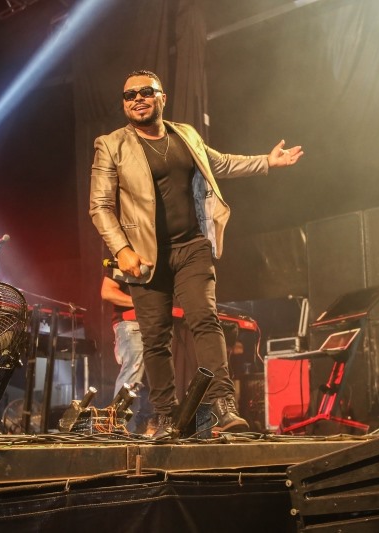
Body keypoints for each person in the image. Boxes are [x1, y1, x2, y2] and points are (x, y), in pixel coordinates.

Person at [89, 69, 303, 439]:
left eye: (145, 92)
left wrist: (267, 162)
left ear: (162, 97)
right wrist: (121, 249)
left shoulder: (185, 134)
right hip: (146, 257)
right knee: (155, 339)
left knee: (205, 319)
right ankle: (167, 416)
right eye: (129, 95)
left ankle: (222, 402)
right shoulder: (111, 145)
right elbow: (100, 206)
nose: (137, 99)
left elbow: (220, 164)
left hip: (192, 246)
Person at [100, 275, 154, 434]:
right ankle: (119, 432)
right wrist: (142, 303)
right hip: (132, 323)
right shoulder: (124, 261)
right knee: (132, 378)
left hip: (154, 326)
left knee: (152, 383)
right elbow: (107, 291)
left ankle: (140, 432)